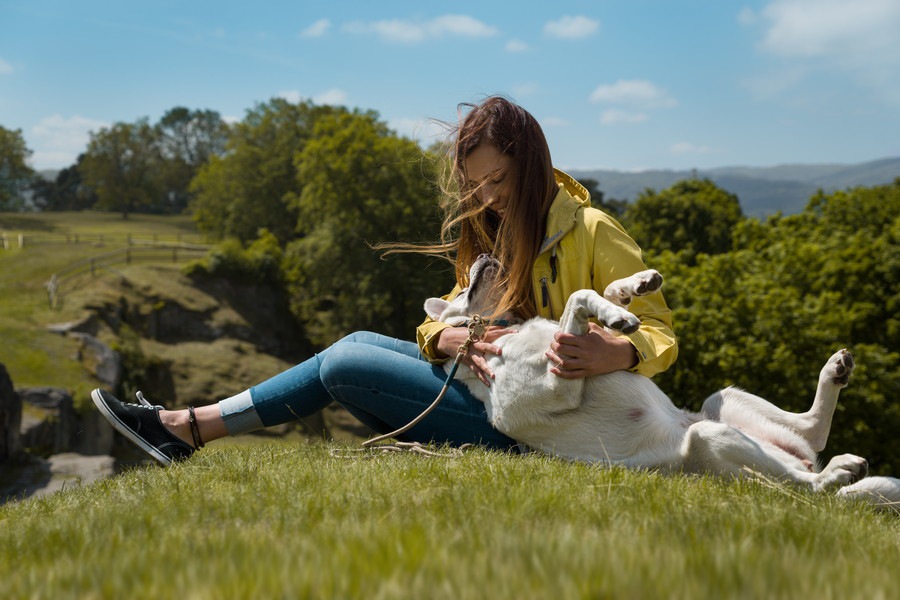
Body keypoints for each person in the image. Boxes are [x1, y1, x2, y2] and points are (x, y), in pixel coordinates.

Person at [91, 96, 678, 465]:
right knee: (356, 344)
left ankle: (186, 429)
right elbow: (442, 314)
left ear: (531, 162)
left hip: (536, 422)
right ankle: (186, 429)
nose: (490, 198)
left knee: (345, 365)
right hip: (488, 389)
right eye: (477, 188)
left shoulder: (594, 229)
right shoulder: (492, 230)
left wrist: (620, 351)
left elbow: (661, 333)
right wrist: (444, 339)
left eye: (499, 180)